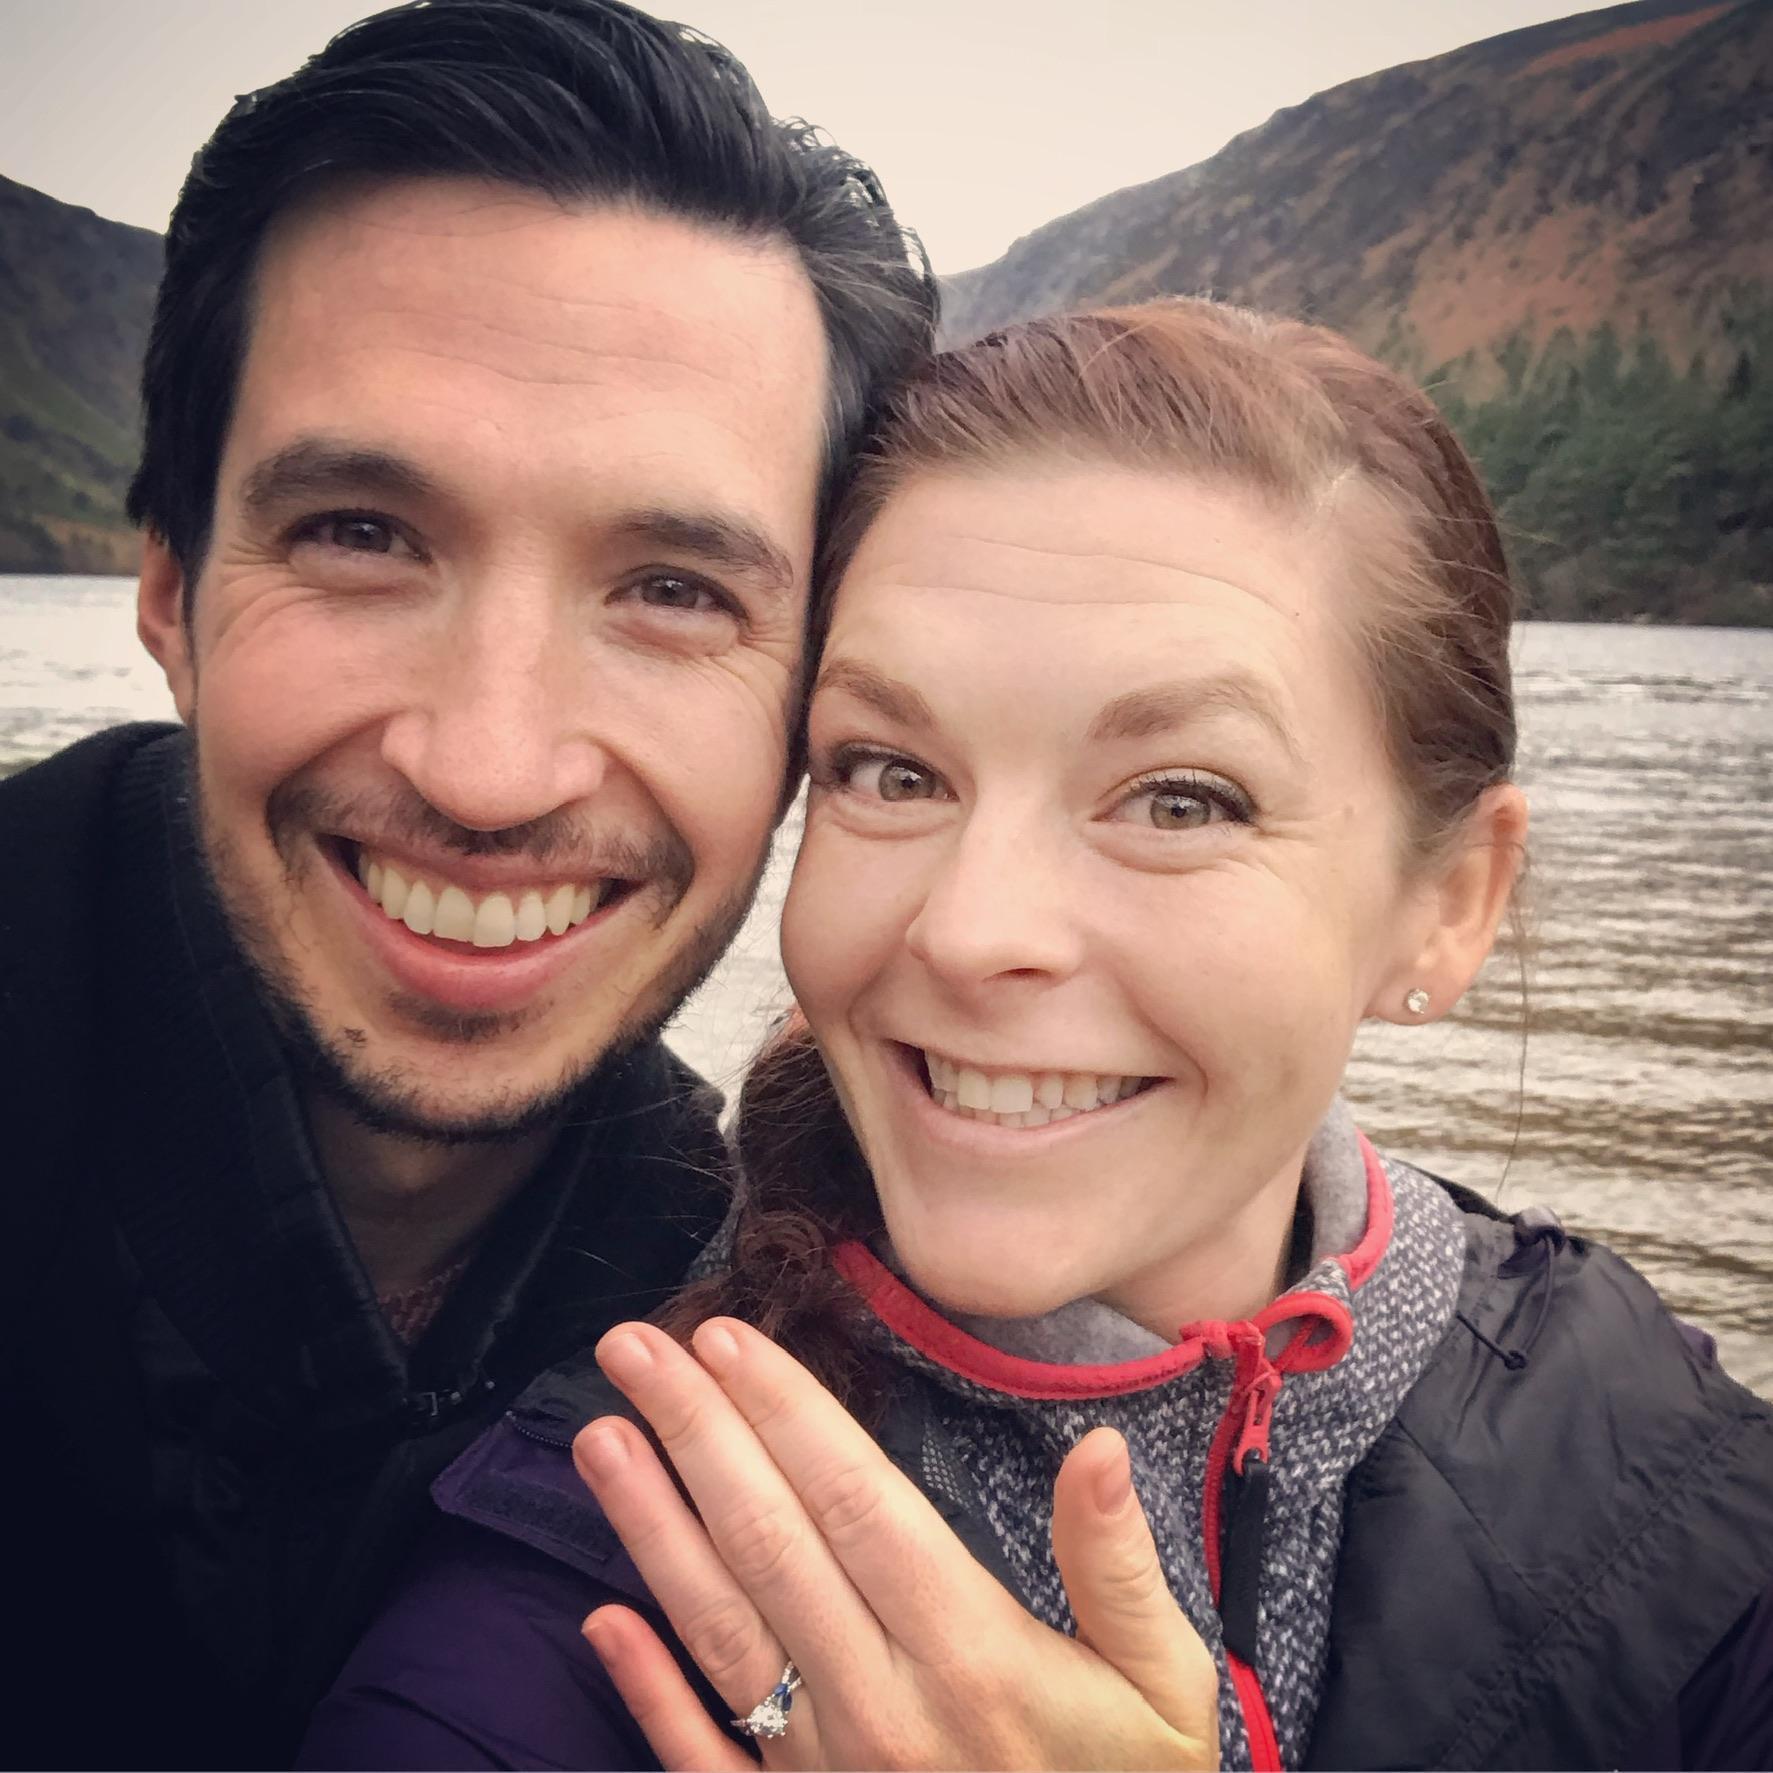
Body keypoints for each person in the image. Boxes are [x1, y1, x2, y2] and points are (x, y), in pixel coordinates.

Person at [304, 300, 1773, 1772]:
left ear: (1446, 902)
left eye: (1179, 798)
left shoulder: (1662, 1466)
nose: (966, 926)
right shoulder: (566, 1605)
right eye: (889, 768)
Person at [0, 2, 935, 1765]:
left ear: (813, 701)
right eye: (362, 534)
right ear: (169, 596)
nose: (490, 768)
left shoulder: (761, 1304)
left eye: (671, 588)